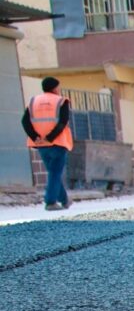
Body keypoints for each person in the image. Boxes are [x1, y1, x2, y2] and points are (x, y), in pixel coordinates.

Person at [23, 76, 73, 211]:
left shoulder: (33, 101)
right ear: (55, 88)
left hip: (41, 145)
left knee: (53, 172)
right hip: (57, 143)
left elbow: (25, 122)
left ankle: (64, 200)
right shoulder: (61, 101)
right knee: (55, 173)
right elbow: (62, 122)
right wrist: (50, 138)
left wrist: (36, 137)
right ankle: (50, 202)